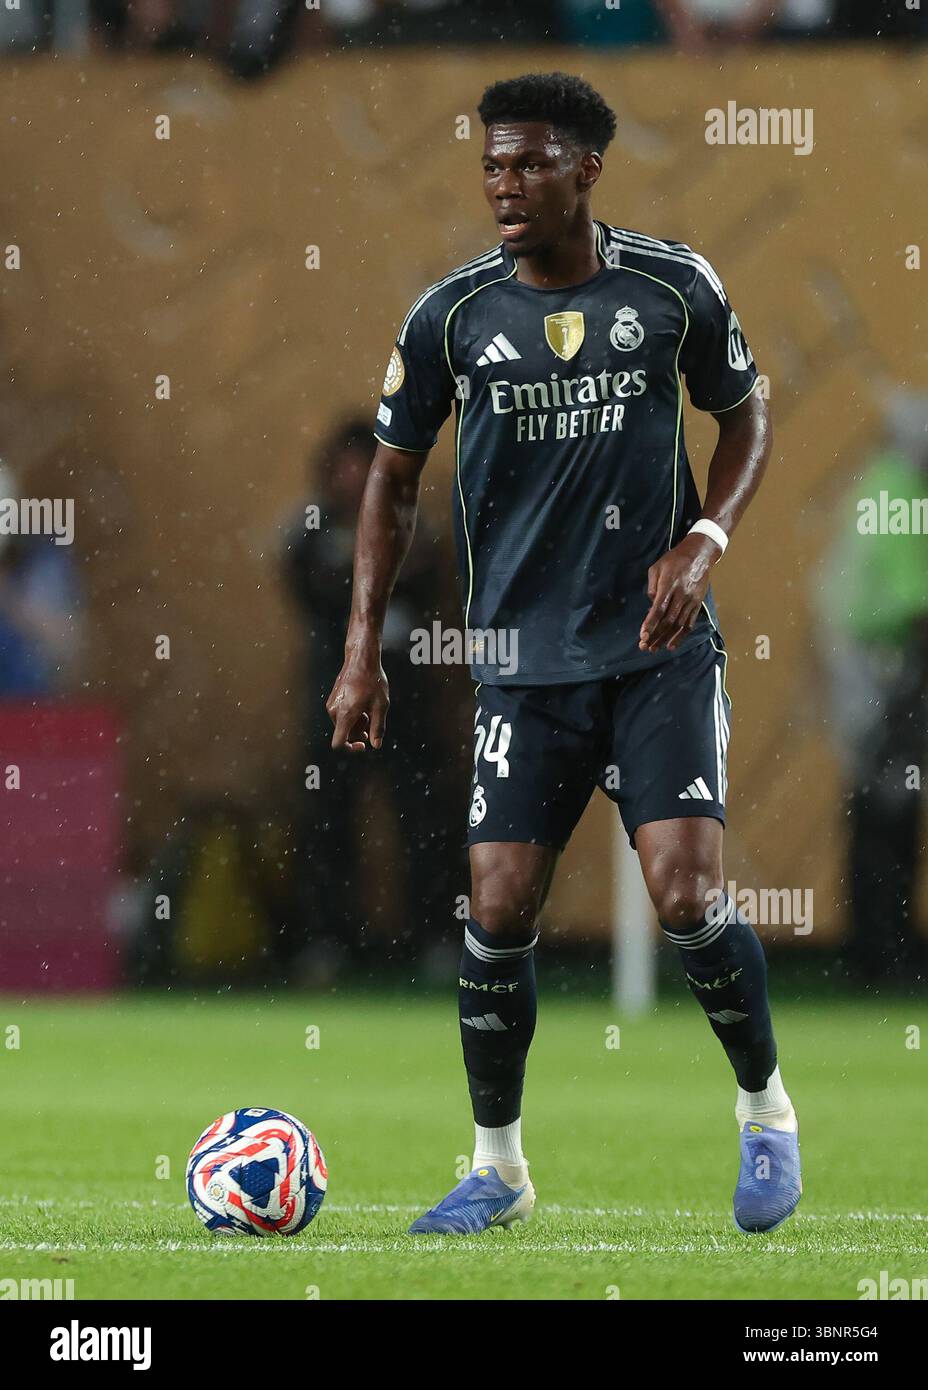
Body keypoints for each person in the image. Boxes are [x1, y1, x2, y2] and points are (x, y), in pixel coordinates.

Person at [327, 72, 800, 1236]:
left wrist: (704, 536)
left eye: (530, 163)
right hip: (523, 669)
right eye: (491, 164)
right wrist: (361, 654)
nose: (504, 184)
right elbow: (390, 477)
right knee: (497, 907)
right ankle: (497, 1166)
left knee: (686, 891)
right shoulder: (450, 316)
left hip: (654, 654)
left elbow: (746, 411)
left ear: (586, 168)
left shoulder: (671, 286)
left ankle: (765, 1112)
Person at [284, 418, 464, 977]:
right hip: (333, 698)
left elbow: (423, 577)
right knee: (328, 819)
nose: (354, 477)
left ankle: (435, 935)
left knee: (424, 817)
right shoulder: (310, 528)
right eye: (346, 465)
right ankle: (327, 940)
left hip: (407, 698)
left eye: (366, 465)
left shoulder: (413, 521)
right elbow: (310, 586)